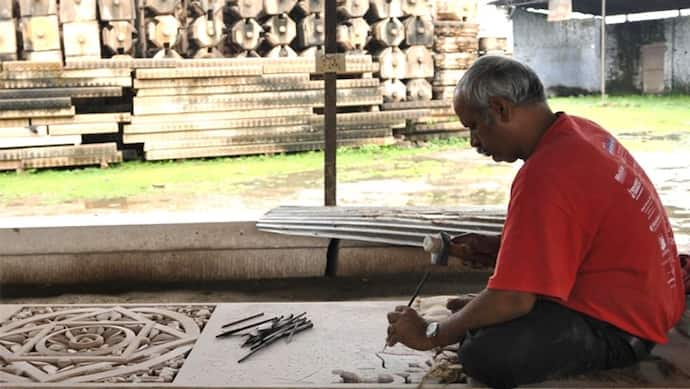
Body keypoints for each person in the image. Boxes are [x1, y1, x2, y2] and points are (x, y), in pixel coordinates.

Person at [385, 56, 687, 389]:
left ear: (500, 109)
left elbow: (513, 299)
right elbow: (582, 229)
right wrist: (505, 247)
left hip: (625, 326)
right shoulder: (581, 132)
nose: (473, 142)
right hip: (652, 300)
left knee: (484, 352)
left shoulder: (546, 173)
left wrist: (432, 333)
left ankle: (611, 349)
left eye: (473, 126)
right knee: (480, 315)